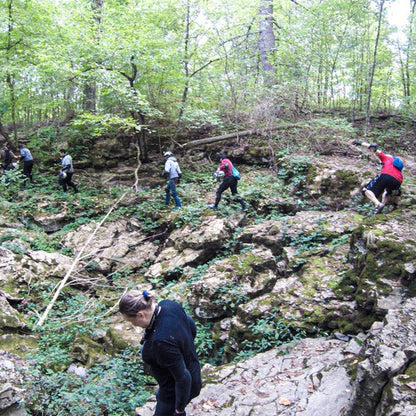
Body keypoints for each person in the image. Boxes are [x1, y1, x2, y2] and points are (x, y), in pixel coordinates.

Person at [119, 289, 202, 416]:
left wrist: (179, 410)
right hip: (192, 372)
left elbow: (183, 378)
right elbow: (191, 327)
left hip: (173, 391)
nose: (134, 325)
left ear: (141, 314)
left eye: (131, 321)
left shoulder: (161, 341)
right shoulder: (168, 305)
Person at [350, 139, 403, 214]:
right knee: (388, 192)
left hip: (386, 174)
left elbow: (373, 147)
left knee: (366, 190)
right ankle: (392, 206)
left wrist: (358, 142)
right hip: (398, 180)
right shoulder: (397, 166)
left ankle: (378, 205)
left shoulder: (386, 157)